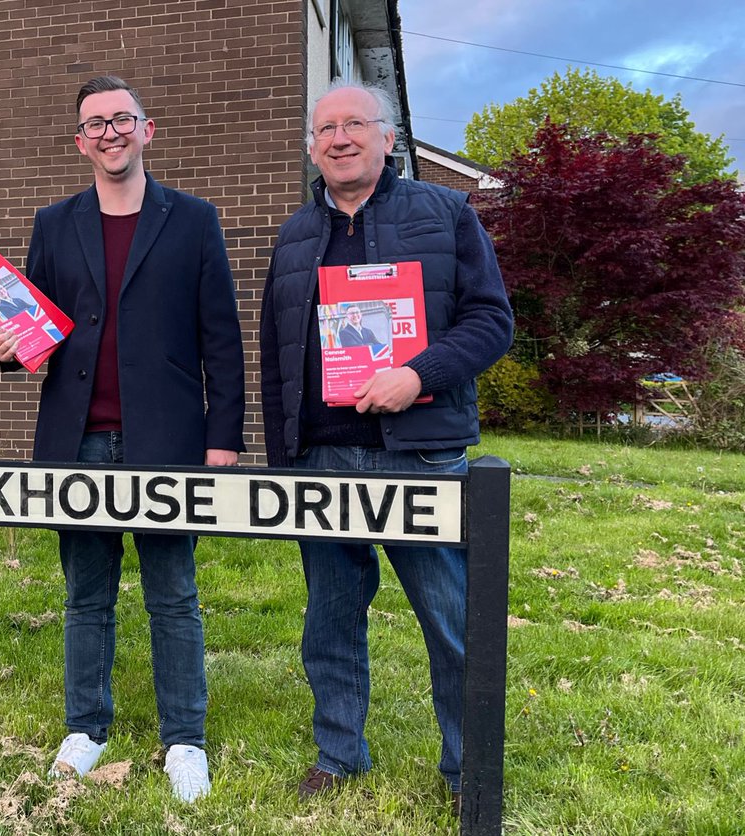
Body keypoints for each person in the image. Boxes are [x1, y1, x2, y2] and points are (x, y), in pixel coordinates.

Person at [0, 75, 245, 802]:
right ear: (80, 141)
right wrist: (9, 348)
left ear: (146, 129)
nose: (109, 133)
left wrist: (222, 438)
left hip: (168, 439)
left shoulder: (193, 219)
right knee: (85, 596)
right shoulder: (54, 222)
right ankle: (85, 728)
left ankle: (184, 738)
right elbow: (35, 335)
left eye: (121, 119)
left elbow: (220, 337)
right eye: (95, 124)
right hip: (78, 439)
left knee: (174, 596)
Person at [259, 80, 513, 812]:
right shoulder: (293, 235)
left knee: (452, 623)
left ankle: (468, 770)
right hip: (323, 462)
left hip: (420, 456)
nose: (339, 138)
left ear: (388, 137)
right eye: (325, 128)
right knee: (329, 622)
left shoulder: (447, 213)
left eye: (354, 125)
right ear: (312, 145)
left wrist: (417, 374)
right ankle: (340, 754)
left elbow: (492, 322)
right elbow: (278, 356)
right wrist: (285, 461)